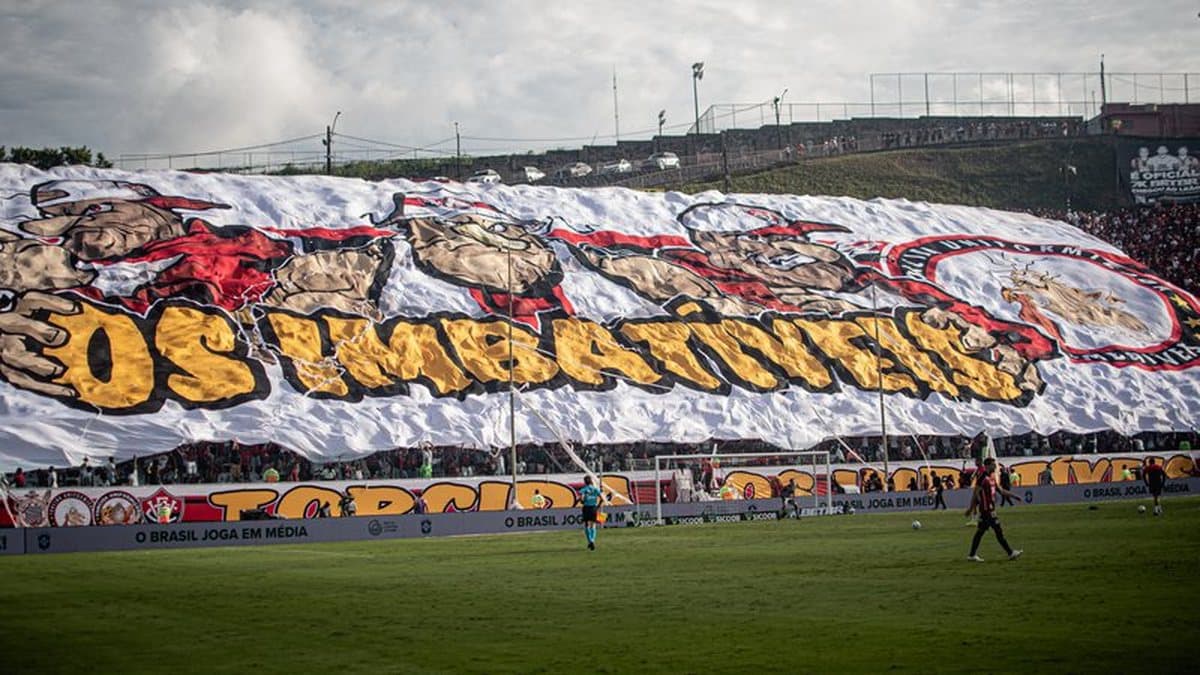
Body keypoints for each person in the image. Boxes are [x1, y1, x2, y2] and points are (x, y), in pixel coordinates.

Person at [965, 457, 1023, 562]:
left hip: (989, 509)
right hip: (987, 510)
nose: (995, 466)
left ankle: (972, 555)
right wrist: (971, 508)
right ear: (987, 466)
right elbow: (975, 493)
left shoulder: (992, 477)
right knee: (998, 531)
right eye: (993, 464)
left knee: (980, 532)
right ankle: (1010, 553)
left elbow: (1000, 490)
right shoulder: (982, 478)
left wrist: (1014, 496)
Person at [579, 475, 603, 551]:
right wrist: (598, 506)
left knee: (587, 525)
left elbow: (581, 500)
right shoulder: (595, 489)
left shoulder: (584, 489)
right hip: (594, 507)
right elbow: (602, 499)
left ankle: (590, 541)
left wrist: (583, 501)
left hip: (586, 508)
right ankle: (592, 540)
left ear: (585, 482)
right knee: (593, 525)